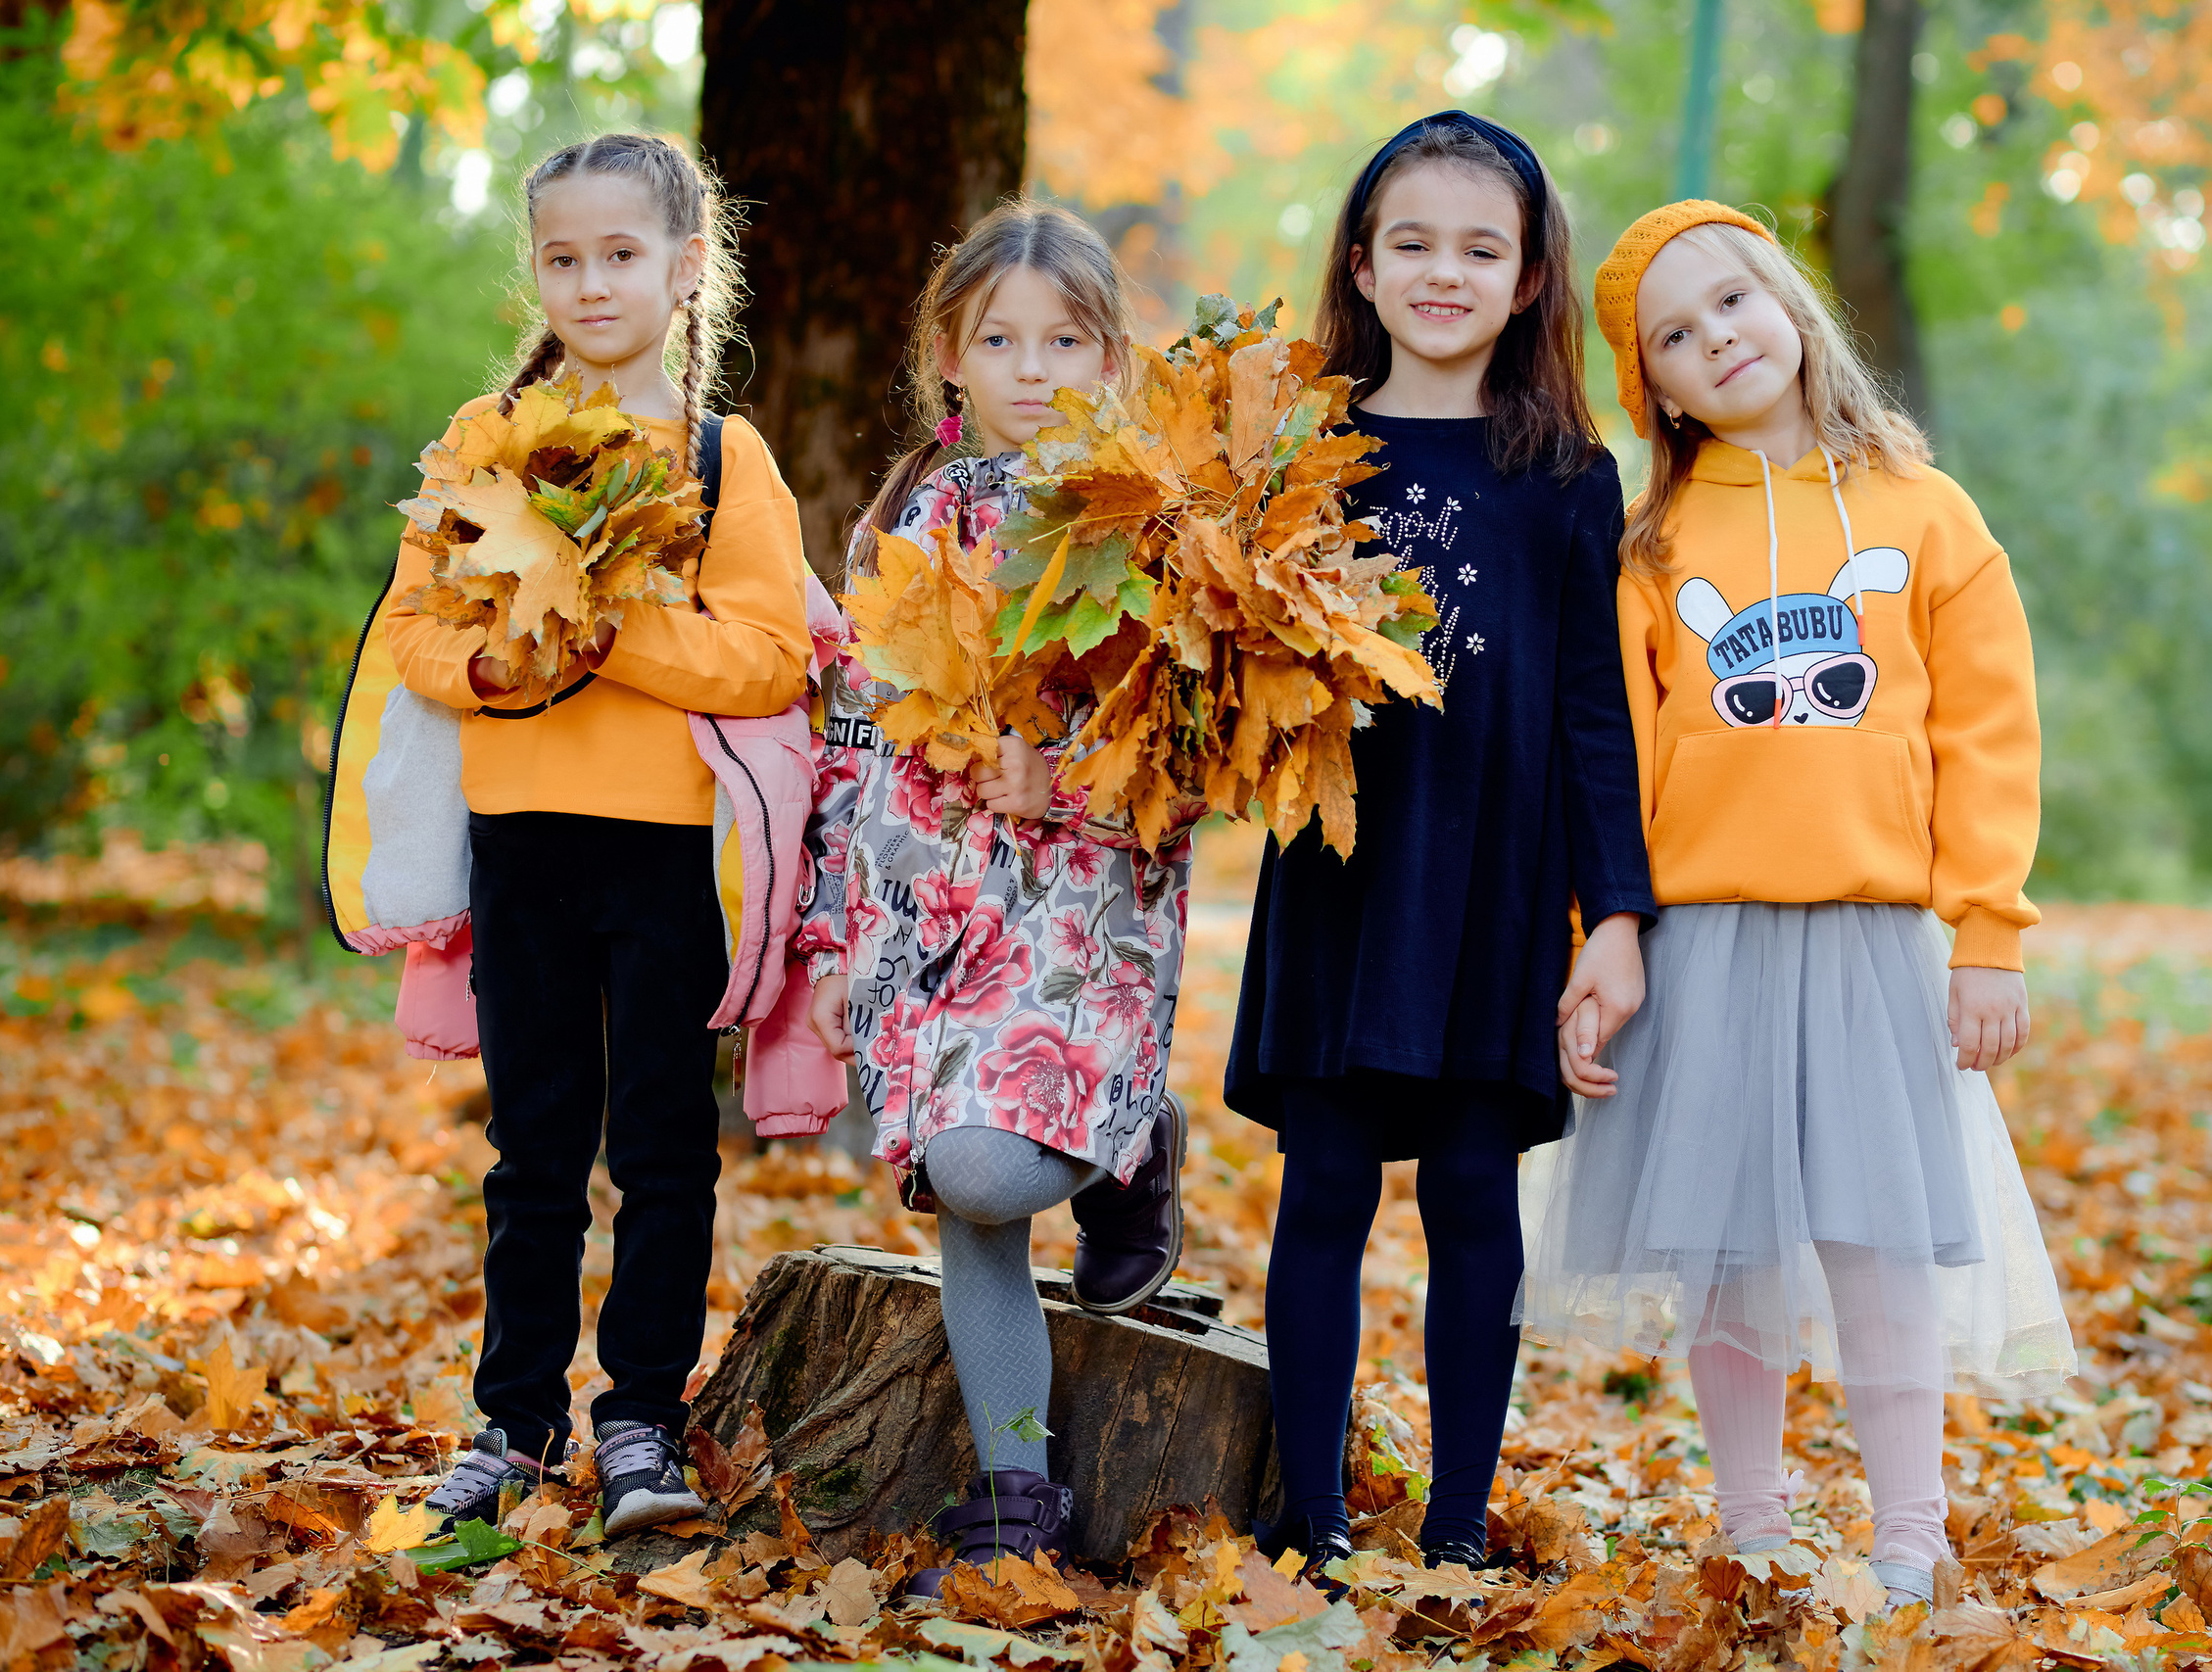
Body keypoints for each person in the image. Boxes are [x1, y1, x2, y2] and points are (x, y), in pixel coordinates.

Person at [1516, 201, 2077, 1607]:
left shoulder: (1923, 512)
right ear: (1651, 388)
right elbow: (1616, 761)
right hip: (1703, 938)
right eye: (1676, 338)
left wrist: (1989, 931)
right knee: (1729, 1253)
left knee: (1881, 1246)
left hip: (1876, 936)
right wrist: (1606, 935)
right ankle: (1753, 1518)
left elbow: (1989, 733)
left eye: (1735, 305)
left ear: (1793, 306)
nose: (1719, 342)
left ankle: (1909, 1530)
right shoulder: (1649, 550)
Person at [1226, 112, 1656, 1575]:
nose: (1444, 272)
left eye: (1482, 248)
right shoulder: (1299, 456)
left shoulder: (1566, 478)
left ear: (1531, 278)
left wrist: (1620, 918)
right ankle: (1312, 1508)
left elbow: (1598, 713)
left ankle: (1461, 1521)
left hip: (1497, 887)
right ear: (1361, 260)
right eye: (1411, 242)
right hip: (1344, 877)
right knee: (1327, 1187)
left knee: (1475, 1192)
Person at [387, 133, 817, 1538]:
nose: (590, 282)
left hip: (667, 854)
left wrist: (611, 622)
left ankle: (640, 1421)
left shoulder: (719, 457)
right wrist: (492, 668)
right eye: (563, 258)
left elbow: (765, 660)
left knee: (664, 1147)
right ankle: (511, 1426)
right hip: (522, 845)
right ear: (537, 269)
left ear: (687, 269)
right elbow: (415, 629)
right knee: (532, 1152)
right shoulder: (479, 442)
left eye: (621, 254)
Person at [798, 199, 1194, 1594]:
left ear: (1107, 355)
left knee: (987, 1162)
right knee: (971, 1209)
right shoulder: (907, 516)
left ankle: (1136, 1132)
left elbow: (1202, 748)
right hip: (934, 913)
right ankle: (1018, 1492)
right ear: (949, 355)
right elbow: (858, 731)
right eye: (1001, 339)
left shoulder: (1148, 521)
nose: (1034, 367)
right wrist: (839, 932)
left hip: (1084, 915)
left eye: (1066, 339)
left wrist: (1071, 773)